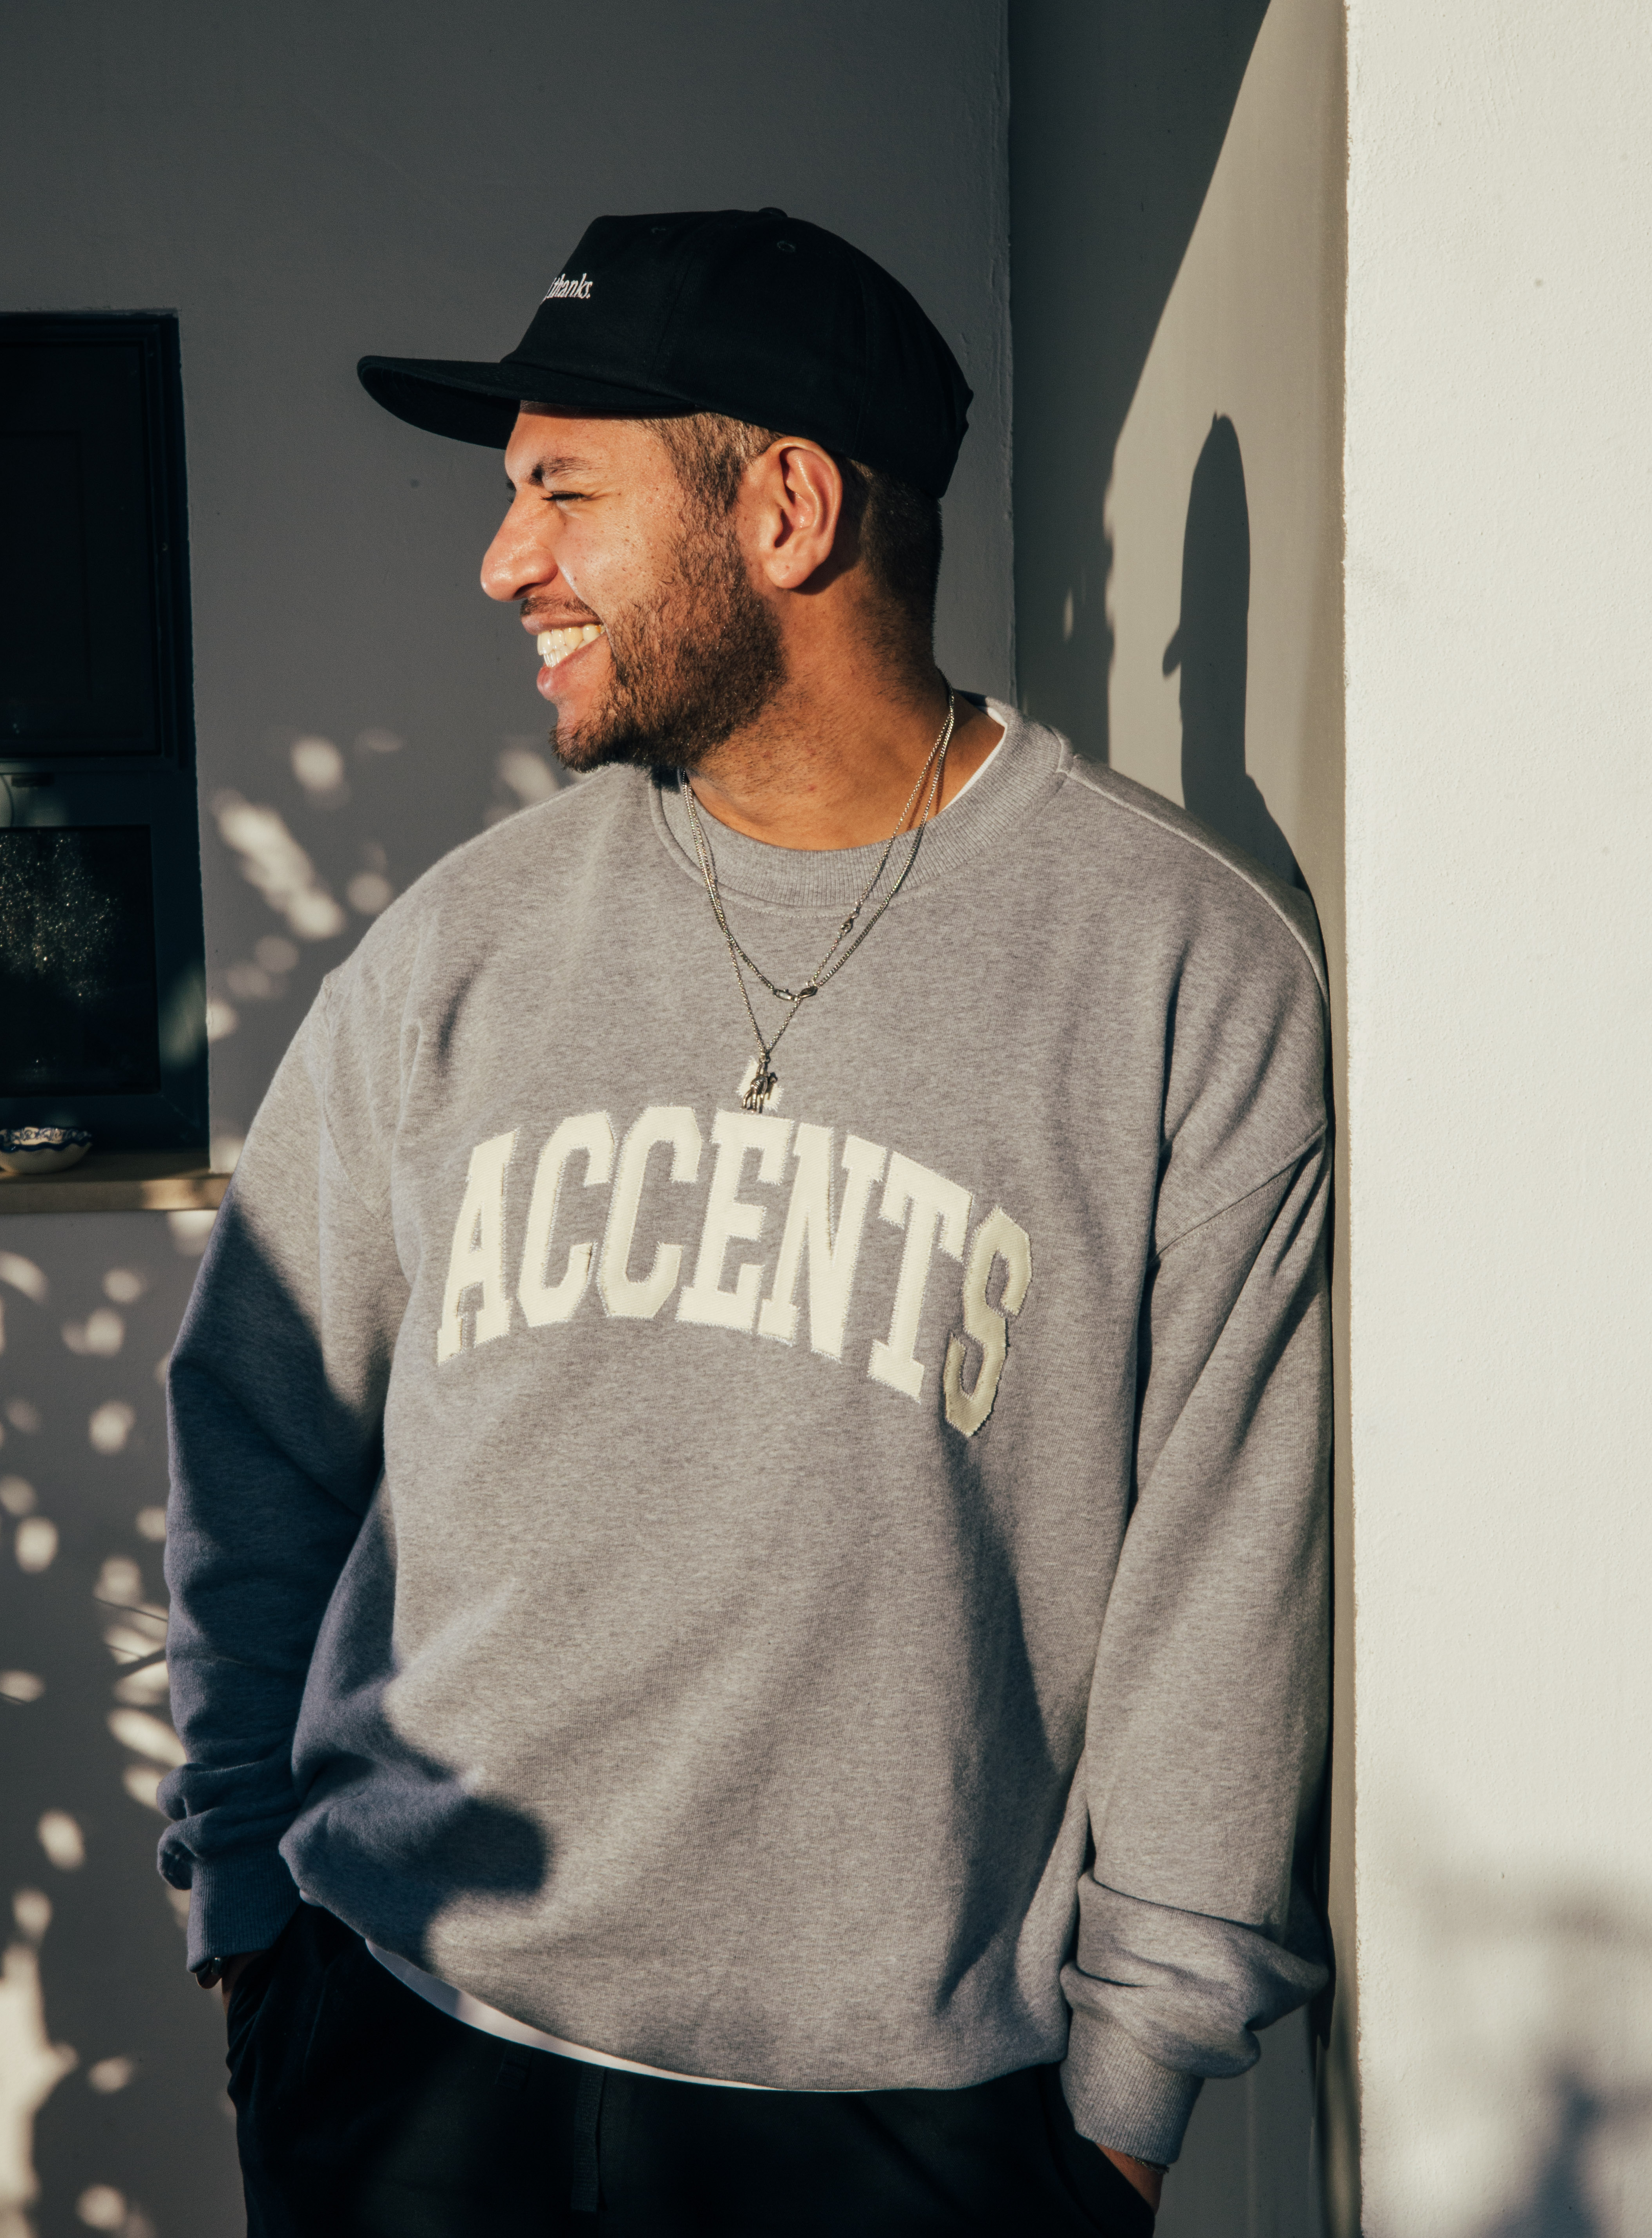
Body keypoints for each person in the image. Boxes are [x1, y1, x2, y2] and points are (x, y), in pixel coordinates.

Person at [159, 208, 1331, 2237]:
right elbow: (255, 1431)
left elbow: (1220, 1582)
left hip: (904, 2130)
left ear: (783, 507)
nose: (502, 561)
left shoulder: (1176, 971)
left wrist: (1129, 2091)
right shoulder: (460, 948)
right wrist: (253, 1921)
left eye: (559, 494)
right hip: (410, 2059)